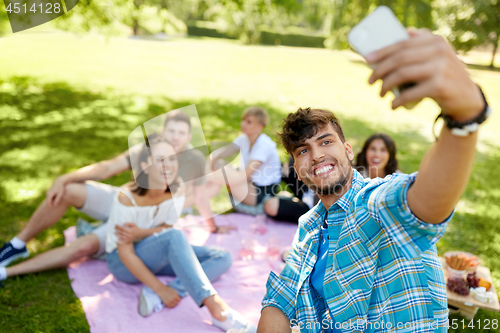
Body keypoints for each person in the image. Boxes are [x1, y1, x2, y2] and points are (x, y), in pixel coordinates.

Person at [258, 29, 489, 332]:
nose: (316, 155)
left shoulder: (375, 200)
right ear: (298, 168)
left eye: (326, 142)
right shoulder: (309, 228)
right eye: (304, 150)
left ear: (349, 150)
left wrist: (463, 118)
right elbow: (279, 300)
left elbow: (426, 203)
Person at [0, 109, 233, 269]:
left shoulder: (194, 160)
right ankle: (17, 245)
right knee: (69, 189)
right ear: (163, 131)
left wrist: (213, 226)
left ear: (189, 136)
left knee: (85, 246)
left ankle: (93, 239)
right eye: (171, 131)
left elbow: (201, 197)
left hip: (144, 222)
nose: (175, 137)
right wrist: (64, 177)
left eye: (181, 133)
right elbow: (106, 168)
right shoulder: (148, 148)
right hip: (123, 200)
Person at [101, 135, 255, 332]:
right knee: (175, 236)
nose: (169, 166)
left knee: (221, 257)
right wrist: (159, 287)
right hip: (122, 263)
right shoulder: (126, 198)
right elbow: (126, 253)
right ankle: (218, 309)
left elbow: (165, 229)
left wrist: (141, 233)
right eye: (160, 160)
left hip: (155, 252)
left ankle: (160, 294)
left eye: (172, 159)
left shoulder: (177, 187)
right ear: (145, 164)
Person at [206, 106, 281, 210]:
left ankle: (197, 196)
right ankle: (199, 197)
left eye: (248, 122)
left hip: (261, 194)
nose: (243, 124)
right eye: (243, 120)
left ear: (259, 126)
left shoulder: (265, 145)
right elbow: (216, 155)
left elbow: (242, 176)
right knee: (219, 164)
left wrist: (209, 178)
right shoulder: (244, 139)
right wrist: (207, 170)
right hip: (247, 183)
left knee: (225, 174)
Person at [263, 156, 319, 223]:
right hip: (305, 190)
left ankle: (261, 201)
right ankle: (262, 193)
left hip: (312, 208)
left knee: (271, 206)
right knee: (280, 168)